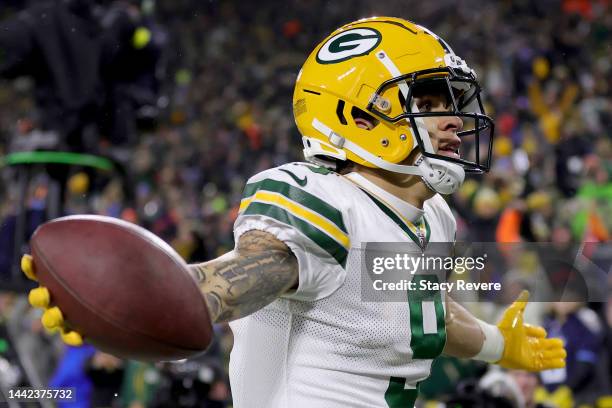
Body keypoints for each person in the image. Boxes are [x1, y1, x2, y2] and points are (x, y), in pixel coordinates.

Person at [21, 17, 565, 408]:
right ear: (356, 114)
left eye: (452, 102)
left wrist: (499, 344)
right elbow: (237, 277)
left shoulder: (433, 216)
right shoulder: (323, 199)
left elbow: (420, 309)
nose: (452, 121)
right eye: (426, 104)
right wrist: (125, 294)